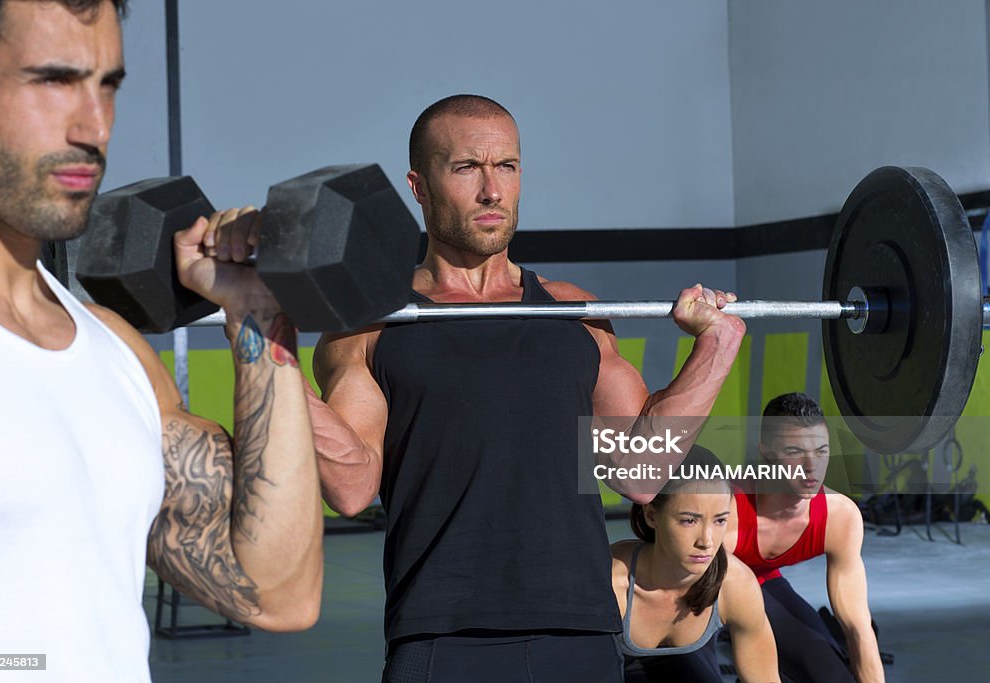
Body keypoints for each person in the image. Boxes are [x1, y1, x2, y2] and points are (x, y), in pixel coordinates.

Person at [309, 94, 747, 682]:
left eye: (507, 167)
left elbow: (639, 474)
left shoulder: (574, 314)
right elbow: (352, 486)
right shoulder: (370, 324)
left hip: (581, 629)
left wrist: (716, 347)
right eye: (466, 168)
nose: (492, 190)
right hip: (440, 631)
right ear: (419, 184)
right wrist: (270, 352)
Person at [0, 2, 323, 680]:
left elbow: (279, 594)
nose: (94, 126)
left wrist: (257, 313)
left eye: (108, 85)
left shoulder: (113, 352)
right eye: (51, 81)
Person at [723, 392, 884, 683]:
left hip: (761, 582)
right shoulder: (725, 512)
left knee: (831, 674)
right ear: (766, 453)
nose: (812, 466)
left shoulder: (839, 517)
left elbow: (858, 627)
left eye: (821, 451)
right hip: (697, 592)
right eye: (795, 451)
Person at [611, 445, 779, 683]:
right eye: (689, 521)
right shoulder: (612, 581)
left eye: (720, 520)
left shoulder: (735, 584)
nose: (707, 542)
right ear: (651, 515)